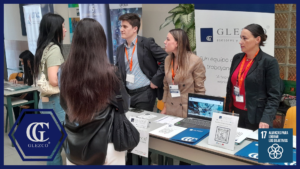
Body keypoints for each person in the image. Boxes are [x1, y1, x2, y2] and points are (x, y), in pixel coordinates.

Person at [59, 18, 126, 165]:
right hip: (106, 144)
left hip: (74, 145)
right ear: (101, 42)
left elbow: (64, 104)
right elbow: (124, 106)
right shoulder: (110, 72)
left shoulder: (63, 71)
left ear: (75, 41)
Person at [225, 24, 281, 131]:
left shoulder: (269, 62)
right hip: (236, 114)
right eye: (240, 38)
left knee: (256, 147)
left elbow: (274, 95)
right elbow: (230, 87)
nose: (240, 42)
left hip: (257, 117)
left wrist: (266, 118)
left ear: (257, 39)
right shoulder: (237, 58)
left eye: (244, 38)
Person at [33, 13, 67, 165]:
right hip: (56, 104)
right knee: (67, 146)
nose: (65, 30)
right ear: (55, 29)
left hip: (45, 103)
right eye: (63, 27)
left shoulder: (42, 48)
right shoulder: (54, 49)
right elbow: (54, 80)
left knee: (52, 149)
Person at [116, 13, 167, 112]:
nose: (121, 29)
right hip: (127, 94)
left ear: (135, 29)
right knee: (130, 123)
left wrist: (156, 80)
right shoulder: (120, 49)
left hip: (145, 93)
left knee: (143, 124)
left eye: (125, 26)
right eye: (121, 26)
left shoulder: (147, 43)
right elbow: (118, 69)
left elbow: (166, 59)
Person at [160, 29, 206, 118]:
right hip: (170, 108)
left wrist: (198, 113)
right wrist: (165, 107)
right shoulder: (168, 60)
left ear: (177, 43)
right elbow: (166, 85)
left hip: (187, 110)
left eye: (168, 39)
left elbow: (200, 90)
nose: (165, 42)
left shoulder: (195, 61)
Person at [10, 50, 35, 120]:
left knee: (26, 96)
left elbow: (34, 85)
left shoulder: (36, 68)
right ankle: (18, 121)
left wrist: (23, 95)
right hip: (29, 90)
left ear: (29, 61)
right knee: (13, 97)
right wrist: (17, 82)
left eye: (22, 61)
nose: (22, 63)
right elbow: (26, 82)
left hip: (35, 92)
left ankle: (25, 120)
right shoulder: (27, 69)